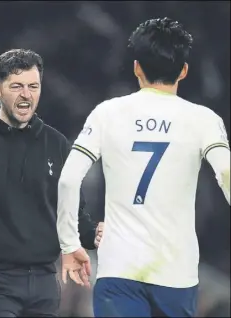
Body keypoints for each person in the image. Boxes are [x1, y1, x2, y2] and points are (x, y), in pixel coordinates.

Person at [56, 17, 230, 318]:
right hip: (176, 271)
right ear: (184, 71)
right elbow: (226, 175)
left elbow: (69, 181)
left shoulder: (107, 113)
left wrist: (70, 244)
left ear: (137, 67)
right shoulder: (203, 119)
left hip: (119, 269)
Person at [0, 48, 98, 317]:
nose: (26, 94)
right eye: (17, 86)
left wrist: (93, 234)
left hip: (45, 282)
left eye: (33, 86)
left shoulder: (57, 144)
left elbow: (73, 212)